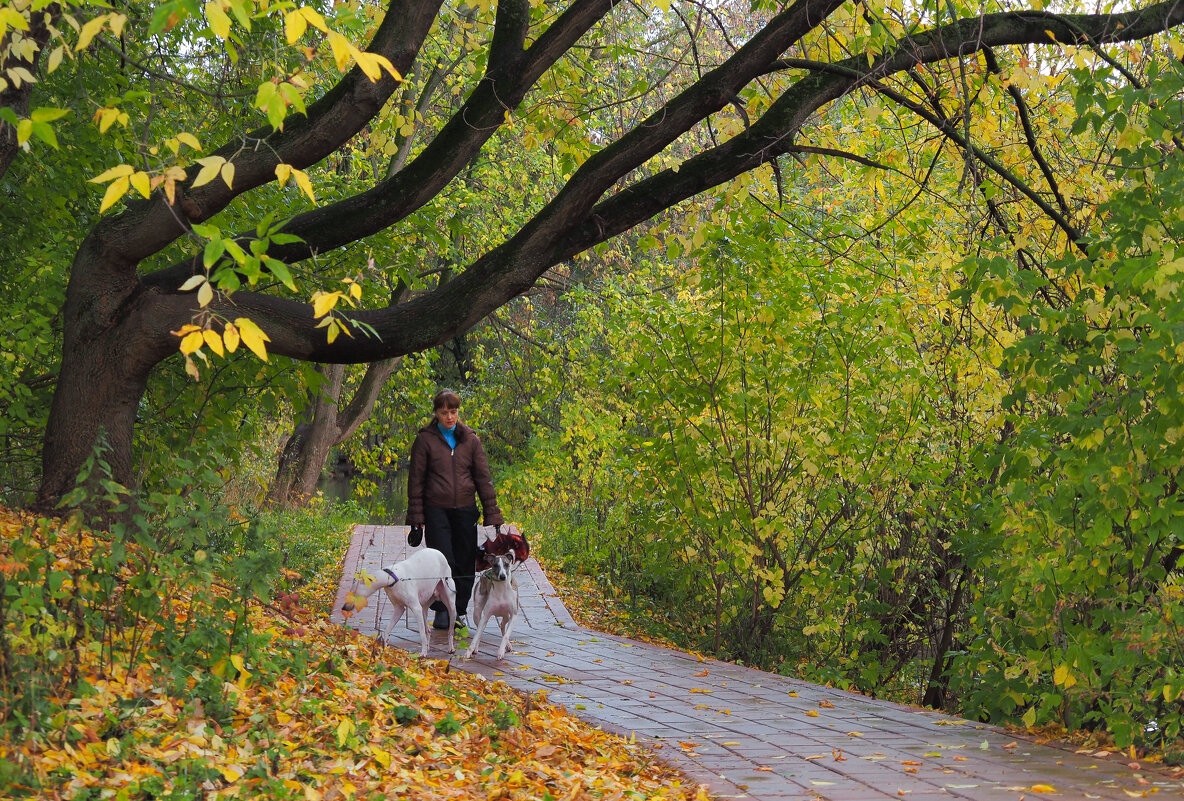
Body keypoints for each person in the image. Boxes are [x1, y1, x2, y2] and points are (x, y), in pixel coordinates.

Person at [405, 388, 504, 631]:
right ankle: (441, 612)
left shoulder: (470, 439)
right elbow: (416, 480)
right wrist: (417, 517)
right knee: (441, 560)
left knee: (464, 561)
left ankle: (458, 611)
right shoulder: (425, 440)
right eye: (444, 412)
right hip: (436, 510)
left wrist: (492, 512)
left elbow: (483, 479)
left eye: (453, 411)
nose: (449, 417)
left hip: (466, 510)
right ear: (436, 413)